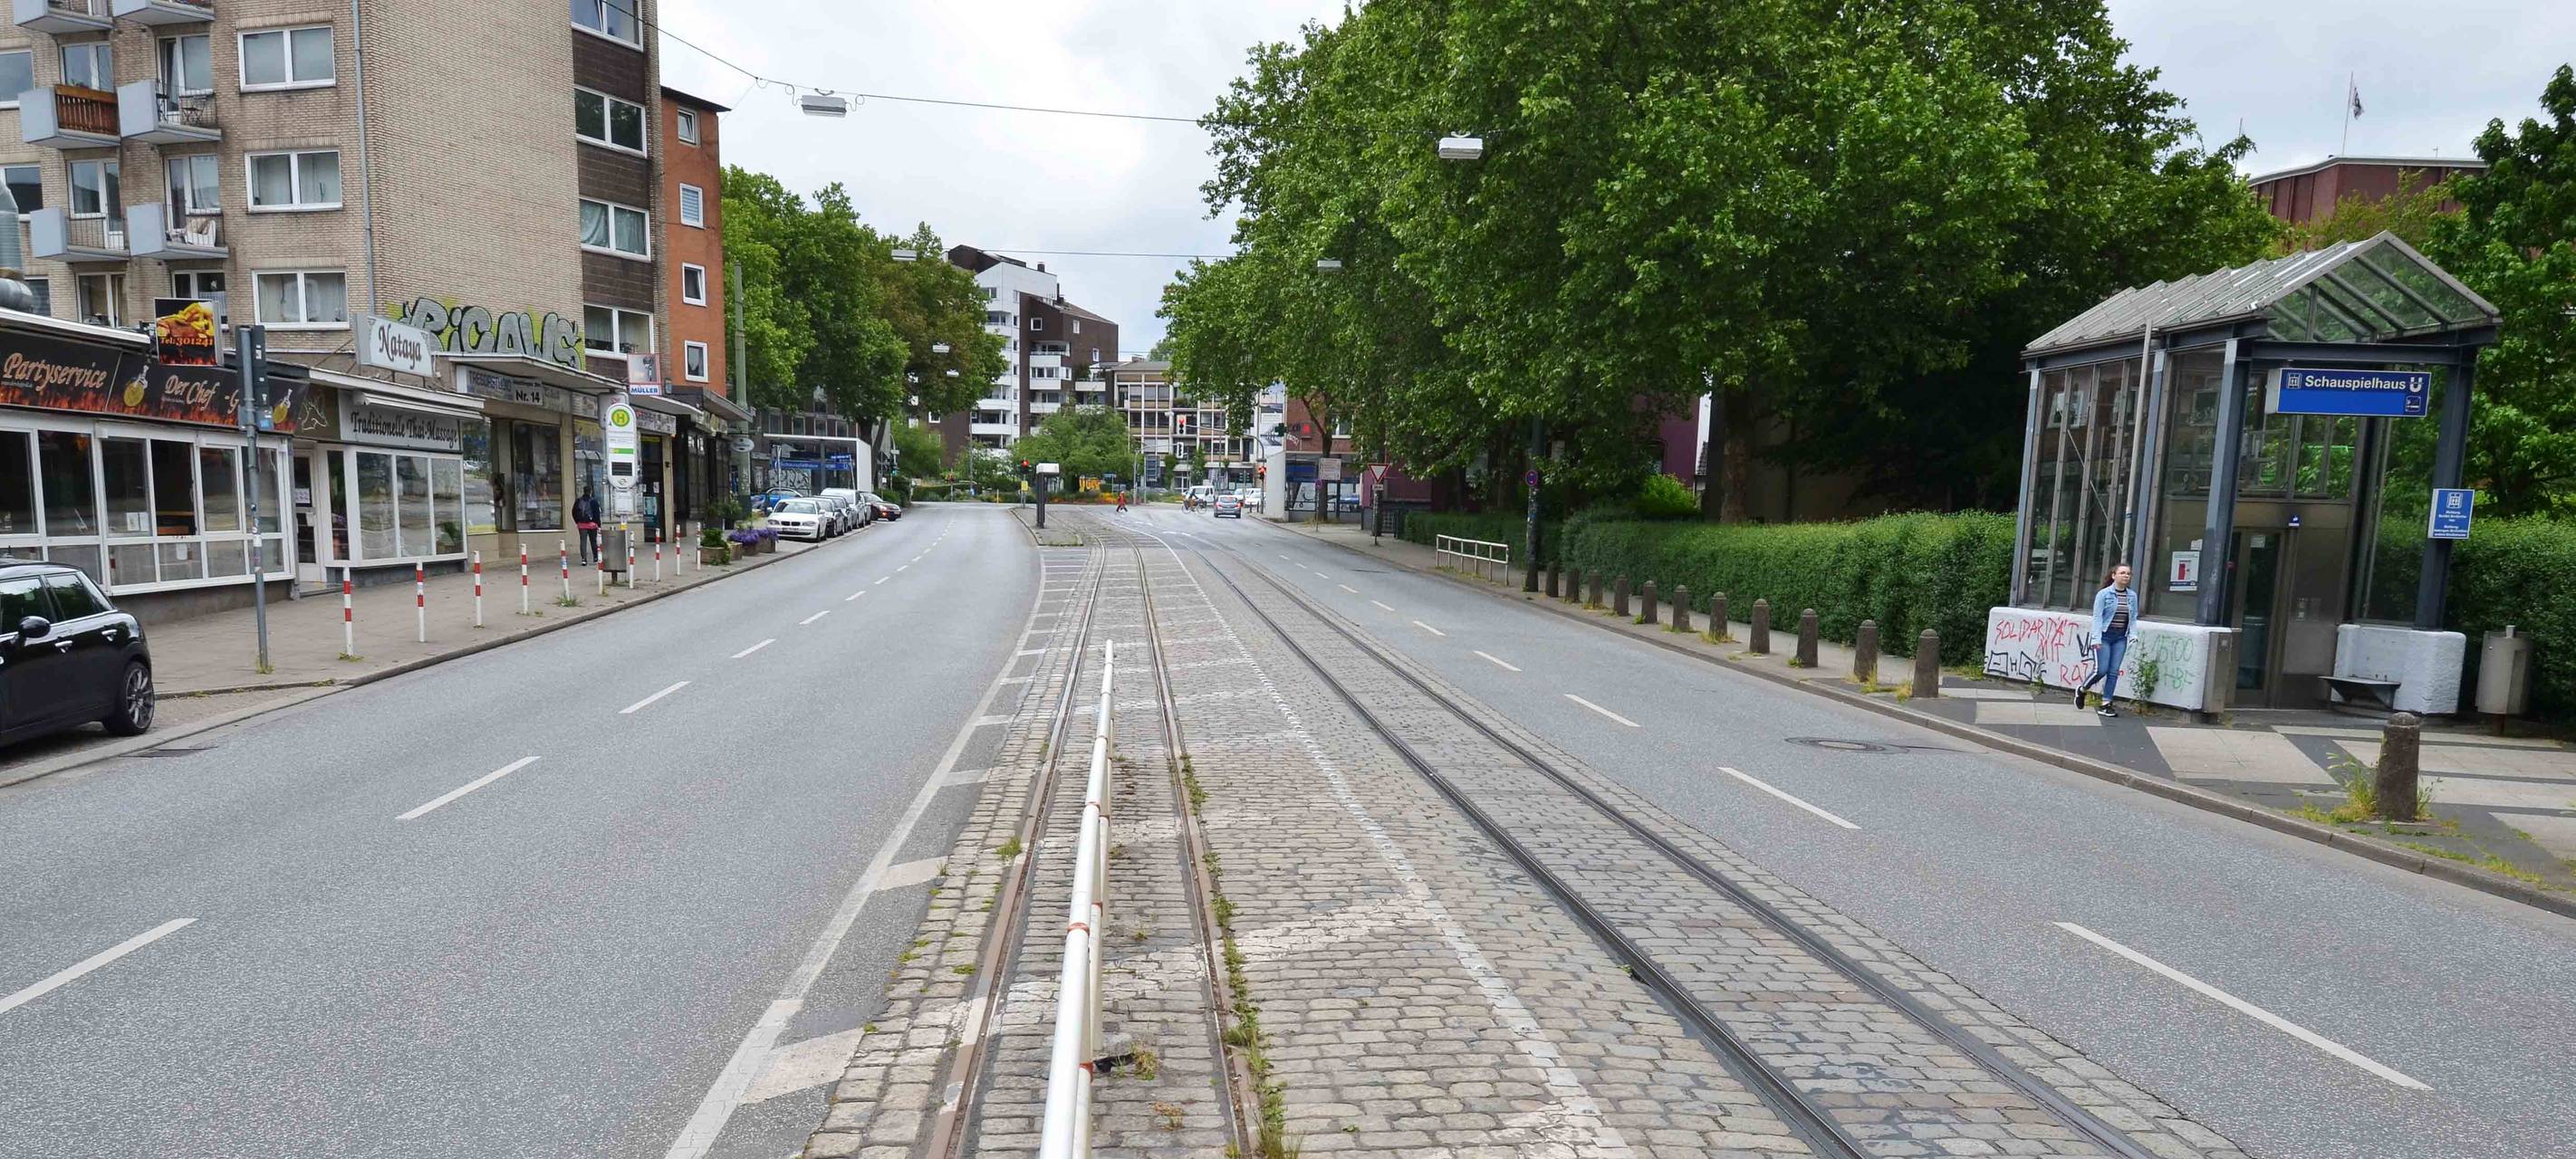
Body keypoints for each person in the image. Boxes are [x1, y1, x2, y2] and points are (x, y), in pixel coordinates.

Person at [2077, 563, 2136, 717]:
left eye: (2128, 574)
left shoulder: (2132, 596)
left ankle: (2106, 703)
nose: (2126, 576)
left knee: (2113, 672)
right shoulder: (2104, 594)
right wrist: (2096, 638)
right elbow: (2097, 618)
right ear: (2114, 576)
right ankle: (2082, 689)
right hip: (2104, 636)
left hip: (2120, 637)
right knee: (2101, 670)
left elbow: (2133, 618)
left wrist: (2133, 635)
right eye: (2122, 573)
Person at [573, 488, 601, 564]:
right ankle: (595, 557)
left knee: (583, 542)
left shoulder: (578, 501)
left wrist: (577, 521)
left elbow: (574, 512)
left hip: (581, 525)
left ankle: (584, 559)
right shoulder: (594, 501)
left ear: (584, 491)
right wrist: (598, 525)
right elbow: (597, 514)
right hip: (592, 525)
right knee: (593, 541)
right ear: (590, 492)